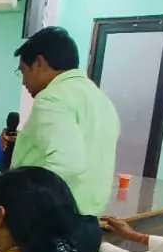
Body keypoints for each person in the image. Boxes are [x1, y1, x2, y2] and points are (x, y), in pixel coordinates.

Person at [11, 27, 120, 217]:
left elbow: (67, 165)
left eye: (23, 71)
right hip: (88, 218)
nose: (23, 82)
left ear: (39, 63)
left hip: (54, 220)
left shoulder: (52, 98)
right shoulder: (100, 98)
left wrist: (22, 205)